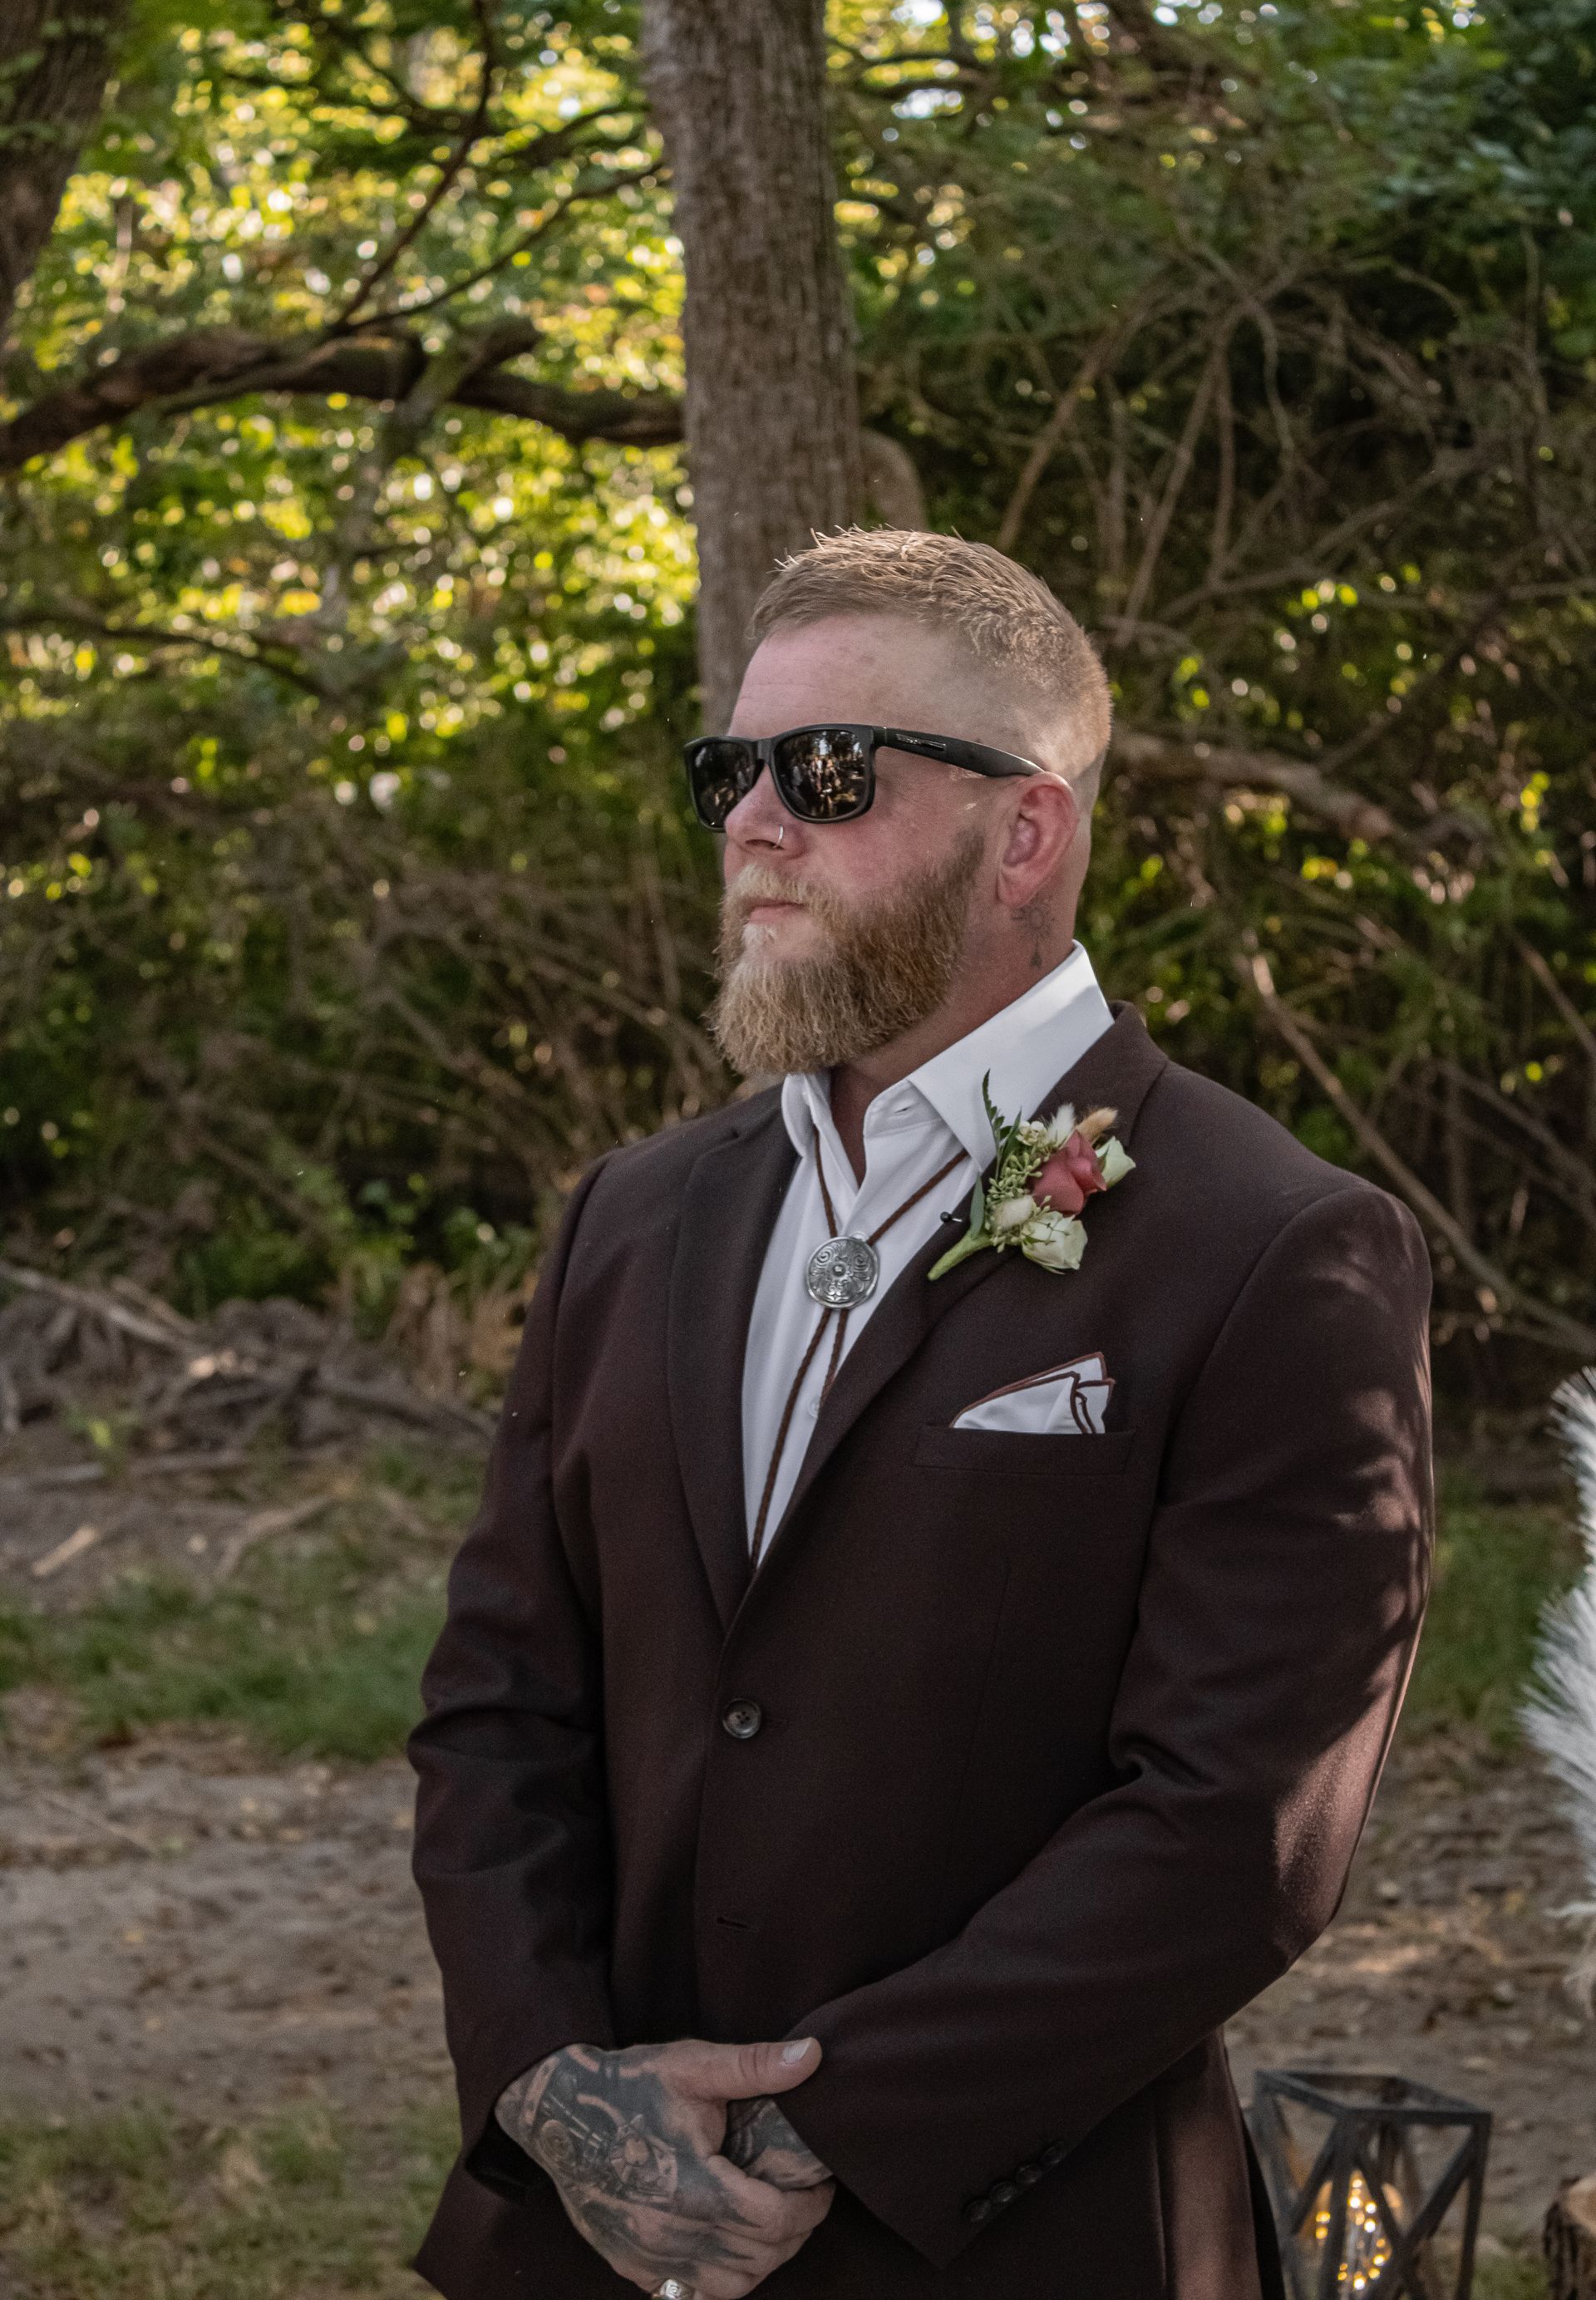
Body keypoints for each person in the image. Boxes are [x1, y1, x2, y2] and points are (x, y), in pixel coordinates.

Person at [409, 529, 1433, 2300]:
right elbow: (501, 1701)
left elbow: (1233, 1829)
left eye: (826, 771)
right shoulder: (632, 1219)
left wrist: (819, 2128)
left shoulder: (1278, 1248)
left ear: (1024, 832)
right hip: (599, 2228)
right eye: (728, 771)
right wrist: (561, 2087)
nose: (753, 822)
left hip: (1017, 2235)